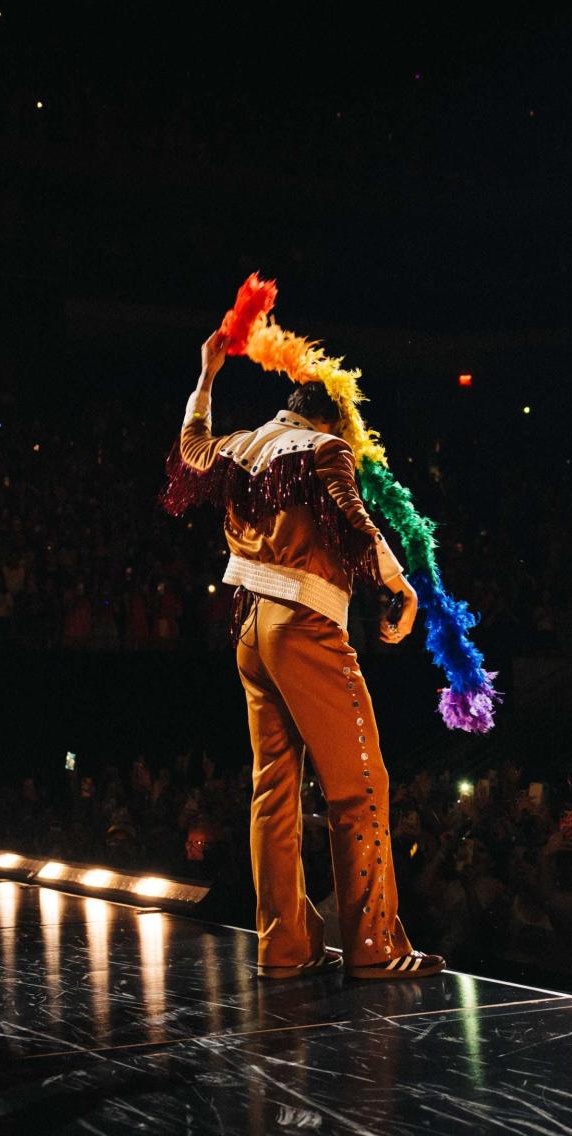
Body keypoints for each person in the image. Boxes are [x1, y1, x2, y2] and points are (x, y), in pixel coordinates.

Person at [163, 330, 444, 980]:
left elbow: (189, 449)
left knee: (274, 792)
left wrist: (206, 377)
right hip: (305, 623)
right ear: (332, 415)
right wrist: (398, 584)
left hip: (249, 631)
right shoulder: (325, 446)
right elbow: (350, 515)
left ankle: (284, 948)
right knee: (362, 787)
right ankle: (376, 946)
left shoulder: (240, 444)